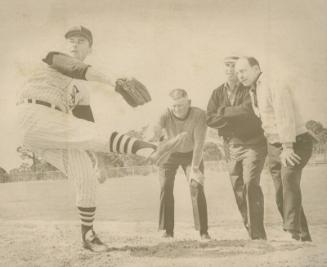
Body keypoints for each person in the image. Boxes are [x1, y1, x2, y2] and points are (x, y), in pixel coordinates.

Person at [16, 25, 186, 252]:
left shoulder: (82, 90)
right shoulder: (53, 56)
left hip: (50, 132)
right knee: (80, 130)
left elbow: (89, 128)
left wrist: (99, 162)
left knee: (85, 174)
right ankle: (148, 149)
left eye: (81, 41)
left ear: (90, 48)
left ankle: (88, 235)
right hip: (33, 115)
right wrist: (115, 81)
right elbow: (76, 68)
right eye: (71, 40)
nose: (74, 44)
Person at [235, 57, 313, 241]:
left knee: (289, 184)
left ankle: (292, 232)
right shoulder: (253, 89)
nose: (240, 76)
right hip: (274, 145)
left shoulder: (273, 83)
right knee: (280, 191)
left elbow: (284, 115)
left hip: (294, 143)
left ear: (256, 69)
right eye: (238, 72)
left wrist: (287, 146)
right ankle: (303, 235)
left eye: (243, 71)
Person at [206, 56, 267, 240]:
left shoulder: (250, 88)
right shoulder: (217, 93)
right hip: (230, 146)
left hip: (253, 143)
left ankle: (258, 235)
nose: (231, 70)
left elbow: (248, 111)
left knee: (250, 183)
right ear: (223, 70)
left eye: (235, 67)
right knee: (238, 188)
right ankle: (251, 230)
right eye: (227, 66)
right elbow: (209, 118)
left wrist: (223, 113)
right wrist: (233, 118)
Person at [152, 88, 210, 240]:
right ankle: (167, 231)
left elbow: (199, 144)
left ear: (189, 102)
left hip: (191, 153)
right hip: (169, 153)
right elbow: (155, 129)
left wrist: (195, 169)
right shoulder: (165, 113)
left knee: (196, 186)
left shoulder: (199, 115)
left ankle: (203, 231)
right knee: (165, 186)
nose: (177, 109)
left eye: (181, 105)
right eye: (174, 106)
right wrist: (155, 133)